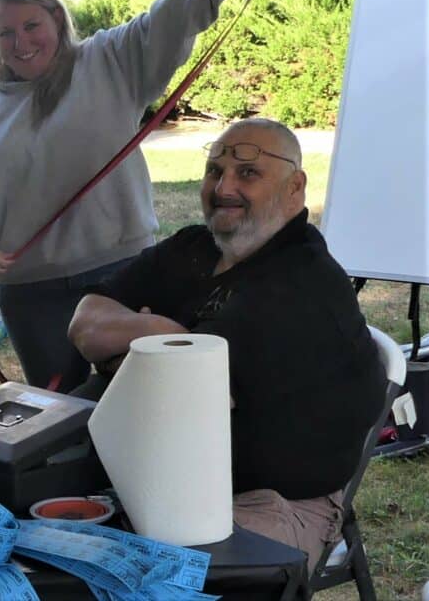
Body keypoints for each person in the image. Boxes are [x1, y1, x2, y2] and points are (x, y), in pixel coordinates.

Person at [0, 0, 292, 393]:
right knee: (57, 416)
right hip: (32, 295)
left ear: (56, 19)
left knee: (135, 404)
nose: (20, 42)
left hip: (120, 277)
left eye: (31, 25)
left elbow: (178, 10)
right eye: (5, 33)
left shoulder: (110, 62)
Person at [67, 118, 386, 571]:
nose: (224, 187)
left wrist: (136, 345)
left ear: (295, 188)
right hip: (153, 481)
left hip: (271, 505)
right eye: (215, 171)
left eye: (248, 174)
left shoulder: (301, 280)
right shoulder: (193, 247)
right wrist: (167, 334)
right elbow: (86, 325)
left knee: (140, 576)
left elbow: (177, 393)